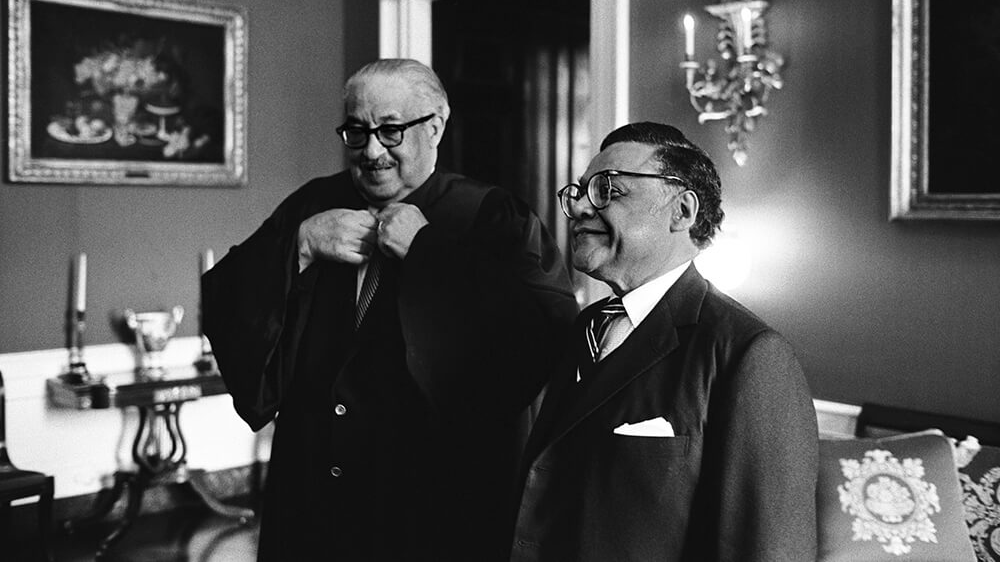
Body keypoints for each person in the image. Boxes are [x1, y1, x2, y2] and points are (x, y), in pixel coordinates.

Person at [202, 58, 578, 561]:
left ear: (436, 126)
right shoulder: (313, 203)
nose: (372, 151)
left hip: (433, 494)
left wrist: (427, 250)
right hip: (314, 485)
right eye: (357, 132)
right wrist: (299, 246)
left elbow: (544, 334)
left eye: (391, 131)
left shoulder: (491, 215)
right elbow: (224, 295)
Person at [509, 122, 818, 561]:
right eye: (577, 193)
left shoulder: (749, 354)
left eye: (607, 190)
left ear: (682, 210)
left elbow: (766, 549)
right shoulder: (587, 326)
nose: (578, 207)